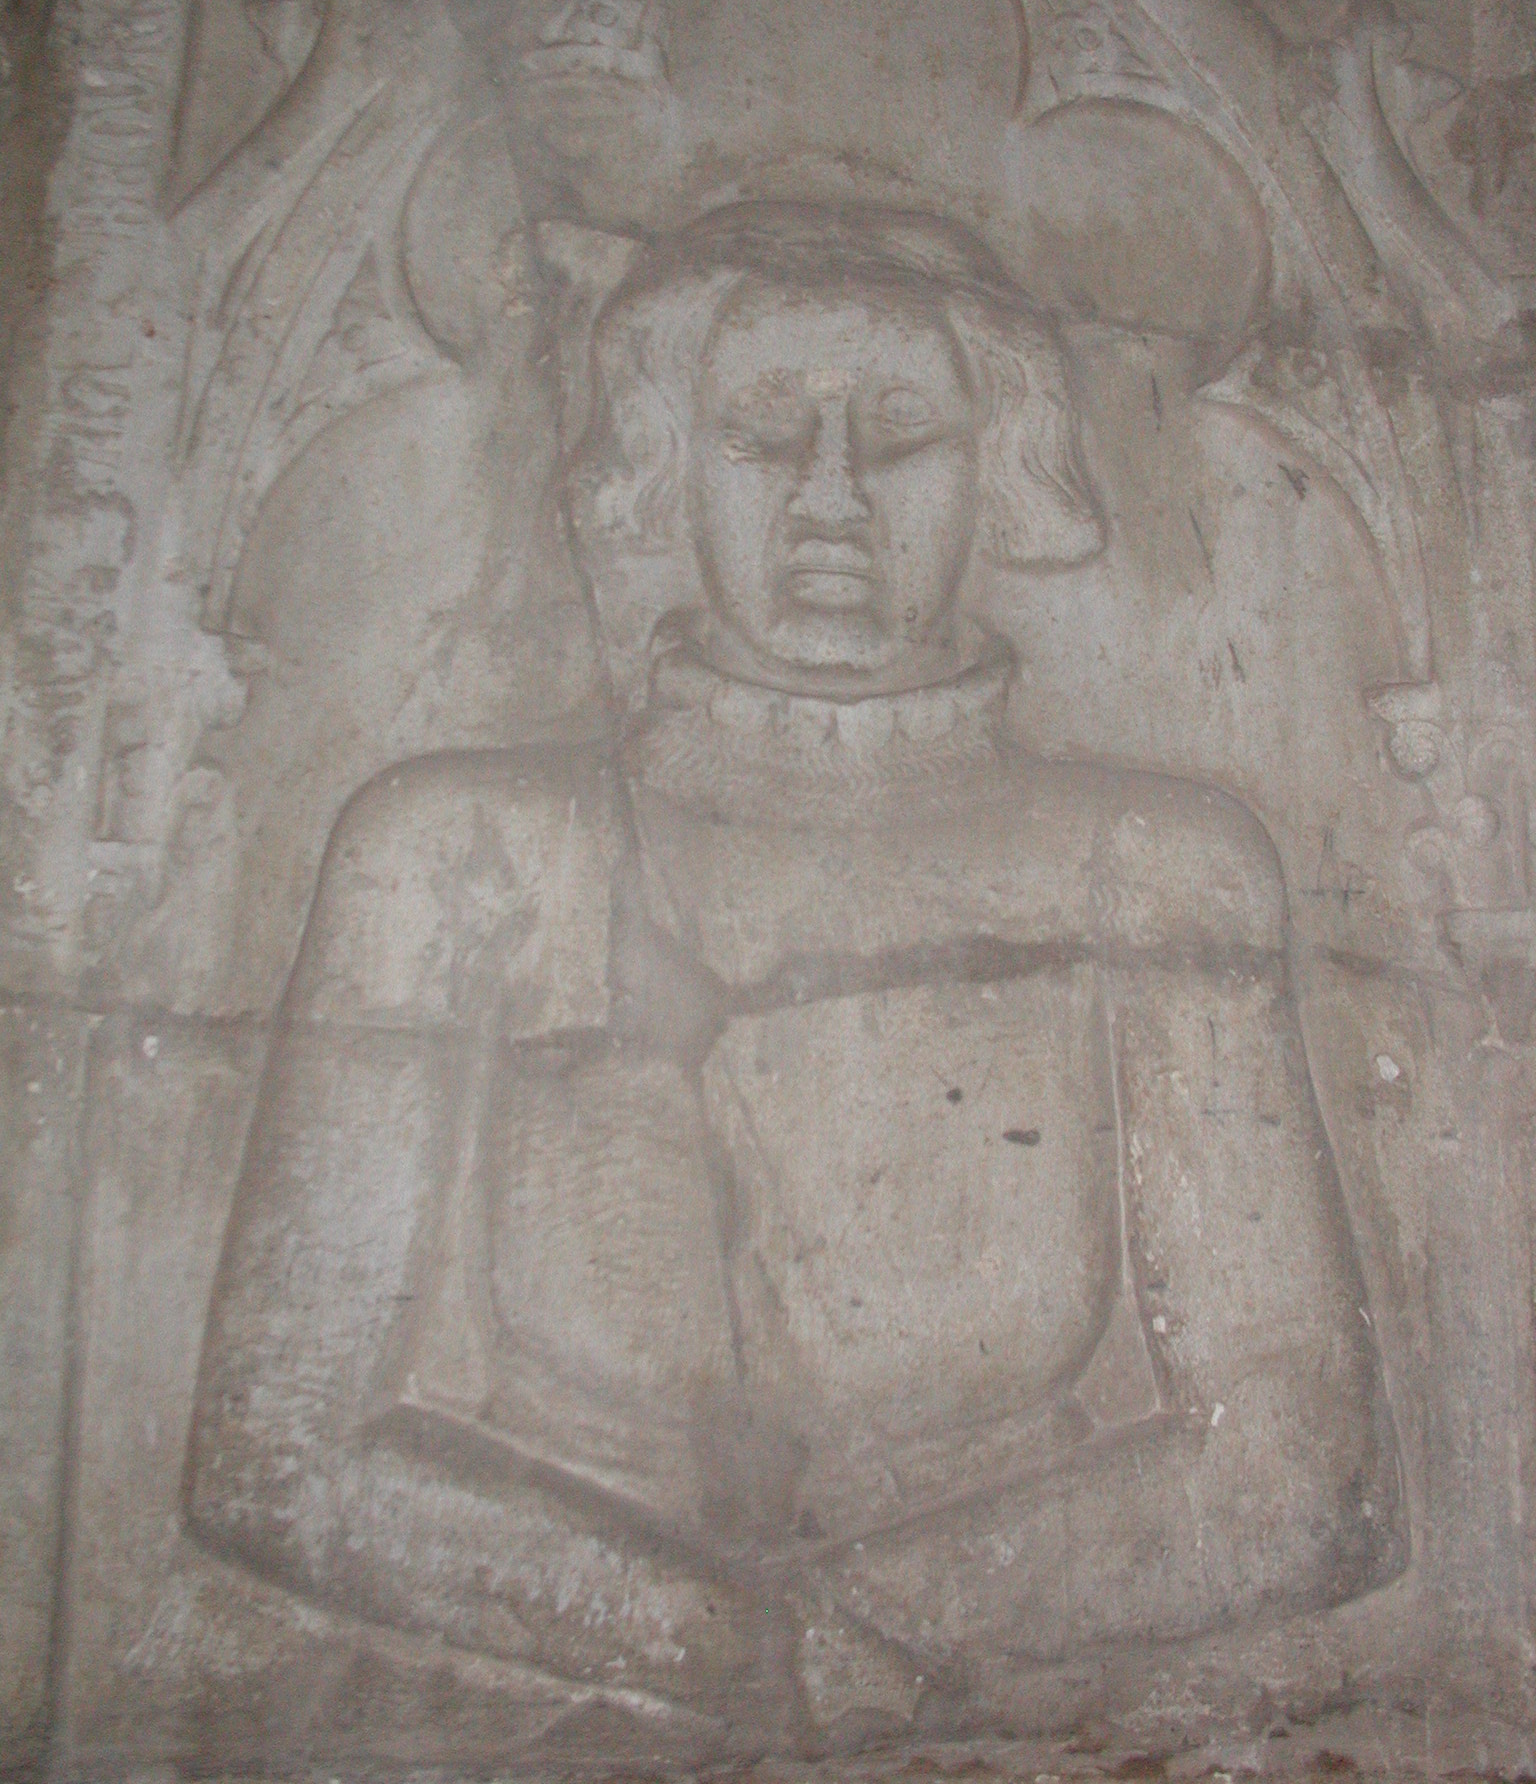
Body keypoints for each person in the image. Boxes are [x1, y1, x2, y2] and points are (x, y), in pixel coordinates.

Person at [186, 200, 1403, 1738]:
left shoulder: (1154, 864)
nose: (832, 499)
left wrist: (861, 1636)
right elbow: (276, 1452)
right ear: (667, 466)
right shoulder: (457, 849)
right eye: (764, 437)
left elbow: (1301, 1471)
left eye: (901, 439)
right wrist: (718, 1645)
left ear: (998, 469)